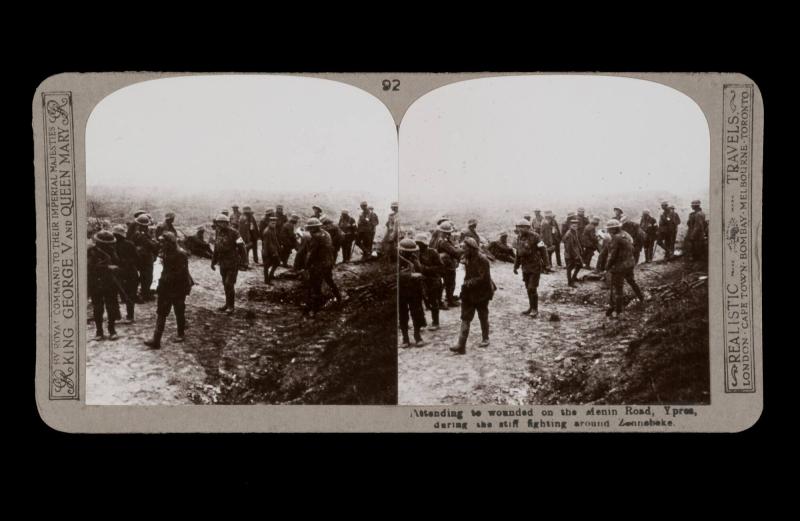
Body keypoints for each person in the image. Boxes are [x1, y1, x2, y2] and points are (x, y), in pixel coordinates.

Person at [144, 232, 192, 349]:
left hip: (178, 288)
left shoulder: (180, 254)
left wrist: (164, 278)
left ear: (170, 242)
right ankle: (156, 340)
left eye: (163, 242)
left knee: (179, 311)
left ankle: (181, 334)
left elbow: (181, 273)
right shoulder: (164, 253)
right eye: (161, 242)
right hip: (166, 287)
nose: (161, 244)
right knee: (161, 312)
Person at [451, 237, 493, 354]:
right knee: (465, 318)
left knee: (482, 316)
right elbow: (461, 273)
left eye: (464, 248)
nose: (462, 250)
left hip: (481, 293)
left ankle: (485, 338)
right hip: (468, 293)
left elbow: (483, 278)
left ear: (471, 248)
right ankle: (461, 345)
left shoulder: (482, 260)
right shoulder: (464, 258)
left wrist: (467, 283)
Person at [300, 217, 342, 316]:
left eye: (310, 228)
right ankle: (339, 298)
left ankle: (314, 310)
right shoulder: (326, 233)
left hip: (319, 265)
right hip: (328, 262)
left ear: (314, 228)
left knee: (316, 286)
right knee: (329, 280)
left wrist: (306, 265)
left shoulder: (316, 237)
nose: (309, 230)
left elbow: (311, 253)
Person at [604, 219, 644, 317]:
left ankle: (618, 311)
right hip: (629, 264)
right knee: (632, 281)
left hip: (620, 267)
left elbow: (612, 255)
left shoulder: (616, 238)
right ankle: (642, 298)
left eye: (609, 229)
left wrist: (607, 267)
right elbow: (632, 248)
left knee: (618, 289)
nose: (608, 231)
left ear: (613, 229)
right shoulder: (626, 234)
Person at [87, 230, 122, 340]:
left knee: (111, 306)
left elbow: (118, 264)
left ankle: (112, 330)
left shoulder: (112, 251)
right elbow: (90, 268)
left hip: (110, 283)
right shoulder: (91, 252)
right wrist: (107, 268)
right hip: (95, 283)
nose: (109, 245)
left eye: (110, 244)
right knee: (98, 308)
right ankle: (99, 332)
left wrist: (116, 268)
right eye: (106, 244)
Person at [398, 238, 427, 347]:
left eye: (412, 252)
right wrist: (410, 275)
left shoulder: (414, 258)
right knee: (403, 315)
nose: (411, 253)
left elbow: (420, 271)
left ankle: (417, 336)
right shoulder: (397, 260)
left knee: (417, 313)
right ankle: (405, 339)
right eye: (408, 252)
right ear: (401, 251)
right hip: (402, 292)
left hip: (415, 291)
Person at [211, 214, 241, 314]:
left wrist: (244, 261)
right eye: (218, 222)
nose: (220, 224)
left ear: (226, 223)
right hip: (222, 262)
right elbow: (216, 247)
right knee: (225, 283)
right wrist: (213, 261)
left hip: (233, 261)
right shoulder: (218, 232)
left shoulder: (234, 232)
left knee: (229, 283)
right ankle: (227, 304)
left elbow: (242, 246)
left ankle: (231, 306)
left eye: (222, 222)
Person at [513, 219, 545, 317]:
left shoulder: (536, 236)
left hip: (535, 265)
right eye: (519, 227)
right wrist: (516, 266)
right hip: (525, 266)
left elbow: (543, 249)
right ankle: (531, 307)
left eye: (523, 227)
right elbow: (518, 253)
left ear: (528, 228)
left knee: (532, 287)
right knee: (528, 287)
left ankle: (535, 309)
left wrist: (547, 264)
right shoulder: (519, 237)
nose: (521, 229)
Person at [111, 224, 139, 324]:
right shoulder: (128, 244)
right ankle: (126, 315)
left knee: (126, 294)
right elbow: (136, 258)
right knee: (128, 294)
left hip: (124, 272)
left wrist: (121, 262)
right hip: (127, 272)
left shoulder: (114, 245)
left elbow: (135, 258)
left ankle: (123, 315)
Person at [432, 221, 462, 309]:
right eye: (448, 232)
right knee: (450, 282)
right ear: (447, 232)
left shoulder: (438, 239)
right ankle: (449, 300)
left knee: (445, 283)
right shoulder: (443, 241)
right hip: (447, 265)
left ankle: (446, 299)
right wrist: (461, 248)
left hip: (444, 264)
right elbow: (455, 252)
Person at [130, 214, 159, 301]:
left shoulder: (137, 234)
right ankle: (145, 294)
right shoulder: (142, 235)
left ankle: (144, 292)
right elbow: (151, 245)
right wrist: (155, 244)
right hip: (145, 258)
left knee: (145, 276)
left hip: (141, 257)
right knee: (147, 276)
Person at [562, 217, 583, 287]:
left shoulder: (574, 232)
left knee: (579, 265)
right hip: (570, 255)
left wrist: (580, 250)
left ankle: (574, 277)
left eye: (576, 226)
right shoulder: (569, 234)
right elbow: (569, 247)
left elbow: (577, 242)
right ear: (570, 226)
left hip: (575, 253)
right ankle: (570, 282)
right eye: (573, 226)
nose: (575, 227)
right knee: (569, 268)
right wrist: (575, 256)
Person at [261, 216, 281, 284]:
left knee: (277, 262)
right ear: (269, 223)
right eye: (272, 223)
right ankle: (266, 280)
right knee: (266, 266)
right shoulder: (267, 231)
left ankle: (271, 275)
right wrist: (273, 253)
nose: (274, 224)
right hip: (267, 251)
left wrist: (278, 247)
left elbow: (275, 240)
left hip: (272, 250)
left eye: (275, 223)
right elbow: (268, 244)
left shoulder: (273, 229)